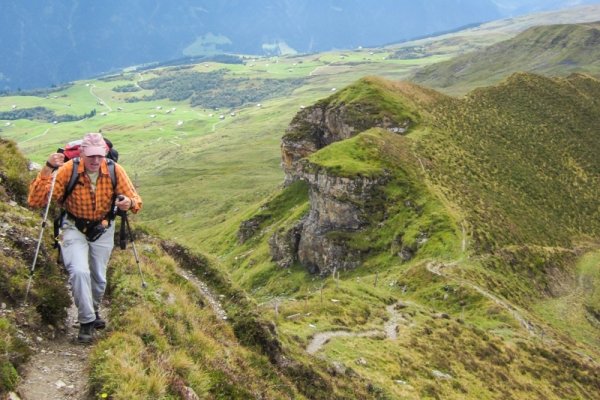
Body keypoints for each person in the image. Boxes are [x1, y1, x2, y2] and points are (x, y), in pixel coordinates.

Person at [28, 132, 142, 343]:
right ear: (81, 153)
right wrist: (46, 168)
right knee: (79, 272)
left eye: (99, 156)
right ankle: (87, 321)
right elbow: (36, 199)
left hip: (103, 227)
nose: (95, 161)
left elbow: (135, 200)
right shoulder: (67, 170)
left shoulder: (115, 170)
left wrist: (129, 203)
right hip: (73, 227)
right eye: (91, 156)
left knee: (98, 277)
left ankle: (94, 308)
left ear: (105, 154)